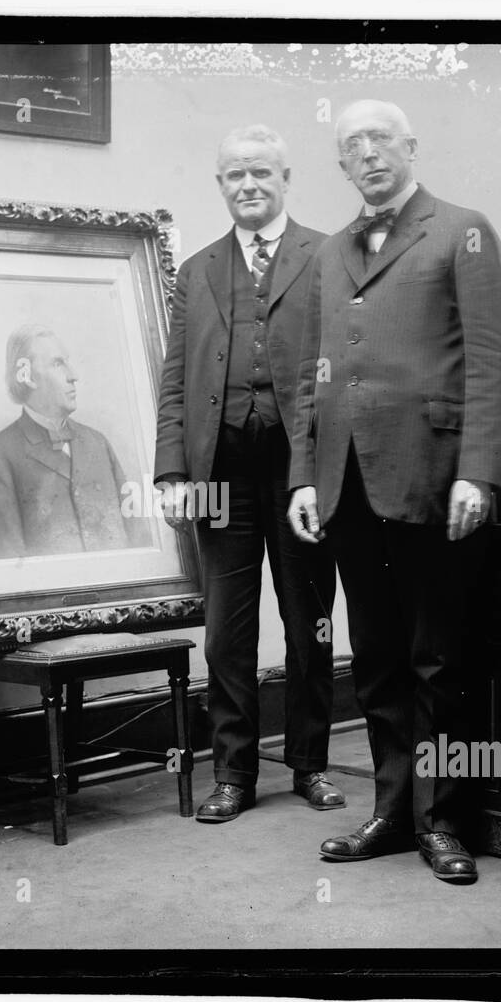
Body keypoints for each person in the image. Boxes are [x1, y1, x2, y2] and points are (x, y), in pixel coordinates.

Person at [287, 100, 501, 883]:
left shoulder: (462, 231)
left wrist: (479, 471)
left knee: (439, 660)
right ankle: (390, 811)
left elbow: (490, 364)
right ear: (342, 166)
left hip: (432, 478)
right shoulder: (328, 253)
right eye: (352, 145)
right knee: (378, 658)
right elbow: (310, 375)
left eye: (381, 138)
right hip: (347, 484)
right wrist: (304, 477)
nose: (368, 153)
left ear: (410, 146)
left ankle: (442, 819)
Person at [154, 124, 343, 823]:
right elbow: (175, 381)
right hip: (221, 474)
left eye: (262, 173)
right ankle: (232, 773)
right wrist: (172, 469)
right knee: (227, 633)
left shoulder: (329, 258)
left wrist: (319, 475)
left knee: (308, 622)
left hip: (300, 477)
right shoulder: (196, 271)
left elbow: (340, 378)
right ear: (221, 186)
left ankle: (310, 763)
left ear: (286, 179)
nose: (249, 186)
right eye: (236, 175)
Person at [0, 324, 150, 559]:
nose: (73, 375)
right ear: (27, 377)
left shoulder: (97, 443)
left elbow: (139, 539)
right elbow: (6, 563)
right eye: (58, 364)